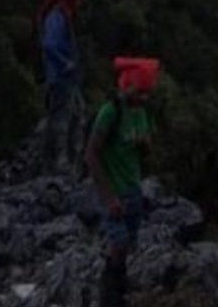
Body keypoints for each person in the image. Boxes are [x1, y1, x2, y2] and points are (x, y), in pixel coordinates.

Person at [85, 54, 160, 307]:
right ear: (127, 86)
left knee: (127, 246)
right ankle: (109, 296)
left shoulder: (141, 112)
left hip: (133, 188)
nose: (144, 98)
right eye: (140, 92)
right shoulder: (110, 111)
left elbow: (146, 151)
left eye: (147, 93)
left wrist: (146, 145)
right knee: (118, 244)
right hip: (114, 190)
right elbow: (91, 154)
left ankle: (119, 293)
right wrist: (108, 199)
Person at [39, 0, 85, 174]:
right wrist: (65, 62)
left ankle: (70, 164)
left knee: (77, 116)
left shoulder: (63, 16)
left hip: (68, 80)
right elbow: (49, 44)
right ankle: (59, 164)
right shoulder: (57, 17)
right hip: (61, 79)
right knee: (62, 120)